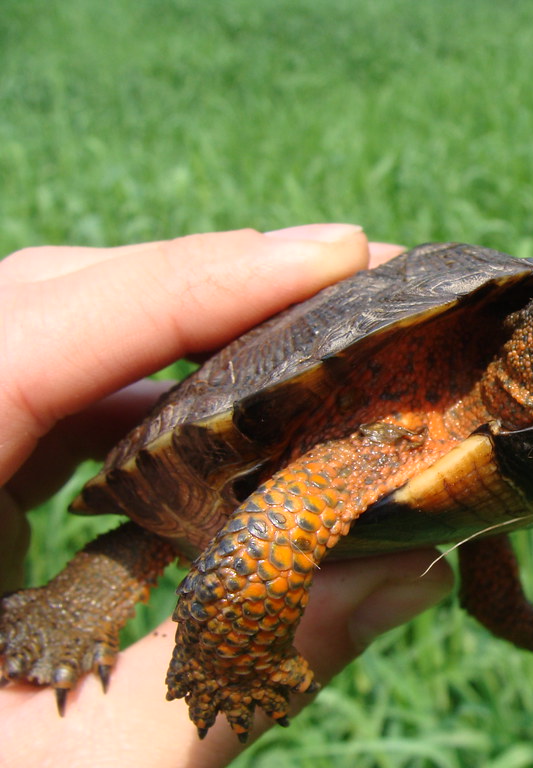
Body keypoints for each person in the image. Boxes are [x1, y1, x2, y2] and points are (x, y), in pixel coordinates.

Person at [0, 224, 454, 767]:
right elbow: (275, 514)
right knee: (159, 531)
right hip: (285, 456)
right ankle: (77, 617)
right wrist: (232, 659)